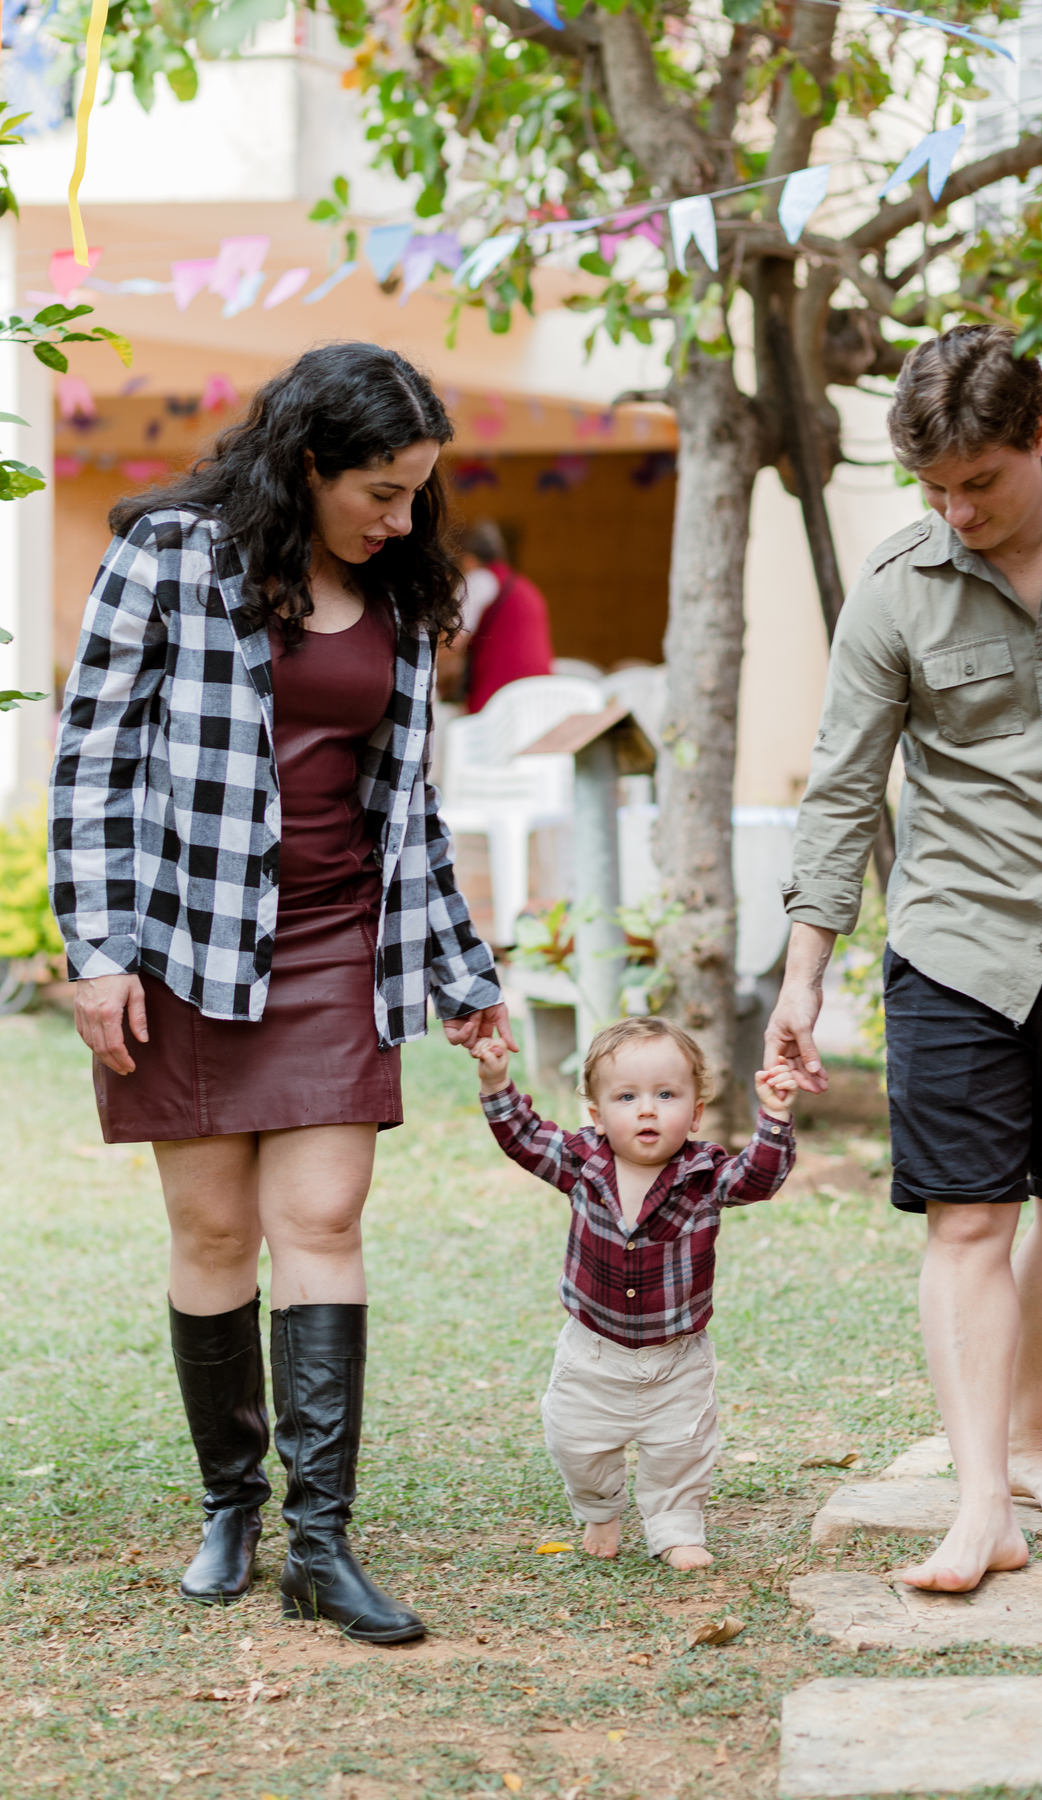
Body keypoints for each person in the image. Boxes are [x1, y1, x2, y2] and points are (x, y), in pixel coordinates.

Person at [49, 343, 516, 1642]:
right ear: (309, 464)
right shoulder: (168, 557)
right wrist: (98, 951)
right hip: (183, 946)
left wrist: (460, 968)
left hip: (332, 945)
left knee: (322, 1216)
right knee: (211, 1233)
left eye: (418, 492)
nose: (402, 520)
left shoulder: (404, 593)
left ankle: (321, 1543)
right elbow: (90, 762)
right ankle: (231, 1508)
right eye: (381, 491)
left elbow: (410, 805)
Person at [766, 323, 1042, 1594]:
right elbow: (843, 788)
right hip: (957, 941)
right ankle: (979, 1508)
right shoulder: (896, 586)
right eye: (933, 489)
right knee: (967, 1220)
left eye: (979, 483)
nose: (955, 512)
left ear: (1039, 440)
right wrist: (803, 975)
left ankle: (1026, 1438)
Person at [473, 1016, 798, 1568]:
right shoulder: (581, 1163)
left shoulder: (704, 1175)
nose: (647, 1110)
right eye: (627, 1097)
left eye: (666, 1095)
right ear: (597, 1116)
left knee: (681, 1449)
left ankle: (675, 1527)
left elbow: (759, 1178)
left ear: (695, 1113)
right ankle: (600, 1508)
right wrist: (496, 1082)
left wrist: (776, 1117)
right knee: (576, 1443)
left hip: (677, 1358)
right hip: (592, 1353)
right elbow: (524, 1138)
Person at [450, 520, 555, 713]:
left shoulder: (480, 579)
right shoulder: (523, 584)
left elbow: (453, 640)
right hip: (539, 691)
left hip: (502, 693)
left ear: (469, 559)